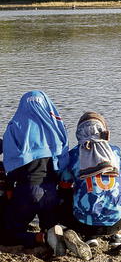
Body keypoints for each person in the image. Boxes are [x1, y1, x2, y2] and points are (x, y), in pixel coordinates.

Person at [59, 112, 121, 256]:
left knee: (67, 191)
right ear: (103, 130)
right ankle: (118, 235)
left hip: (82, 224)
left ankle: (89, 236)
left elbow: (63, 188)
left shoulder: (73, 155)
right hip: (115, 222)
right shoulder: (115, 151)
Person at [1, 91, 68, 255]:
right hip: (51, 193)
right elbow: (64, 162)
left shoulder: (16, 127)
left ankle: (40, 238)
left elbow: (11, 163)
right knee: (50, 225)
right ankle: (55, 232)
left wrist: (9, 188)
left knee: (7, 234)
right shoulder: (55, 128)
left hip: (28, 192)